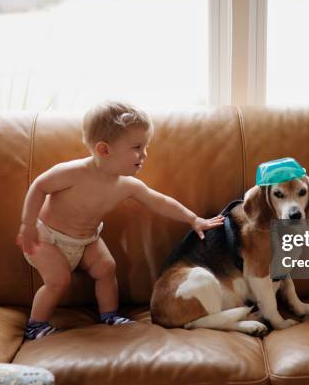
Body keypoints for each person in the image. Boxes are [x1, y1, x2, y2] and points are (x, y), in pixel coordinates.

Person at [16, 101, 224, 340]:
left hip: (86, 240)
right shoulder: (73, 173)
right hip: (47, 238)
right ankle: (36, 325)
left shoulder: (126, 185)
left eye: (146, 146)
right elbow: (39, 186)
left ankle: (109, 315)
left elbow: (159, 201)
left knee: (107, 268)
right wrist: (28, 224)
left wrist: (193, 219)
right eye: (137, 147)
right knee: (58, 281)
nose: (144, 154)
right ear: (104, 150)